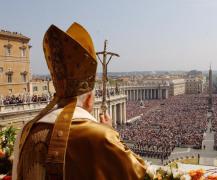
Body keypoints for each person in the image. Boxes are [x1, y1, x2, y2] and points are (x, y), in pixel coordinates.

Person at [12, 23, 146, 180]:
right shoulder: (100, 137)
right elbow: (137, 171)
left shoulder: (26, 131)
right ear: (89, 99)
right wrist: (111, 133)